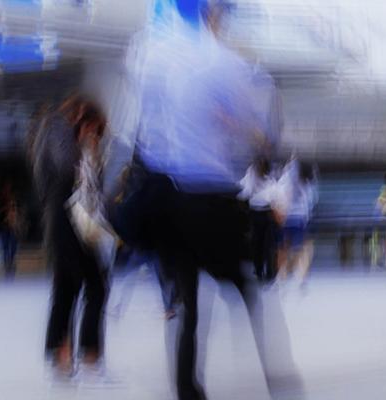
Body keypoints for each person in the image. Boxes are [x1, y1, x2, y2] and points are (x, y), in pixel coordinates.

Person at [123, 1, 301, 398]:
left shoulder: (150, 57)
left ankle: (188, 389)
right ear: (214, 15)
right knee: (248, 289)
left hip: (165, 198)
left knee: (186, 305)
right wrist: (236, 126)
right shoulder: (222, 62)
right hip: (209, 198)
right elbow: (261, 135)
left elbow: (137, 130)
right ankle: (280, 381)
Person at [33, 95, 112, 381]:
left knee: (97, 284)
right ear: (81, 116)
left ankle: (89, 353)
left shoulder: (85, 142)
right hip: (61, 213)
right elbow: (63, 168)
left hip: (84, 218)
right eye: (94, 127)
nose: (96, 136)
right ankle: (61, 353)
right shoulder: (55, 127)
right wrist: (83, 141)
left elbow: (96, 183)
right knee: (68, 284)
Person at [275, 160, 318, 284]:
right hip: (300, 218)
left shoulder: (289, 179)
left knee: (285, 248)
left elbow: (281, 195)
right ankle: (298, 275)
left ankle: (284, 275)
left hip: (289, 217)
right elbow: (312, 201)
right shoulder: (309, 183)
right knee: (299, 248)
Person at [239, 155, 279, 283]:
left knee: (260, 243)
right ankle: (266, 271)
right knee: (264, 244)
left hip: (260, 212)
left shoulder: (254, 175)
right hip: (264, 213)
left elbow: (245, 192)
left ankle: (262, 270)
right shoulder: (261, 176)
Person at [0, 182, 24, 280]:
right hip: (4, 227)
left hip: (13, 227)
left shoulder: (16, 202)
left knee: (12, 247)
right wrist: (5, 209)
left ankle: (11, 264)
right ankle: (7, 265)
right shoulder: (1, 202)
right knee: (5, 248)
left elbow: (20, 214)